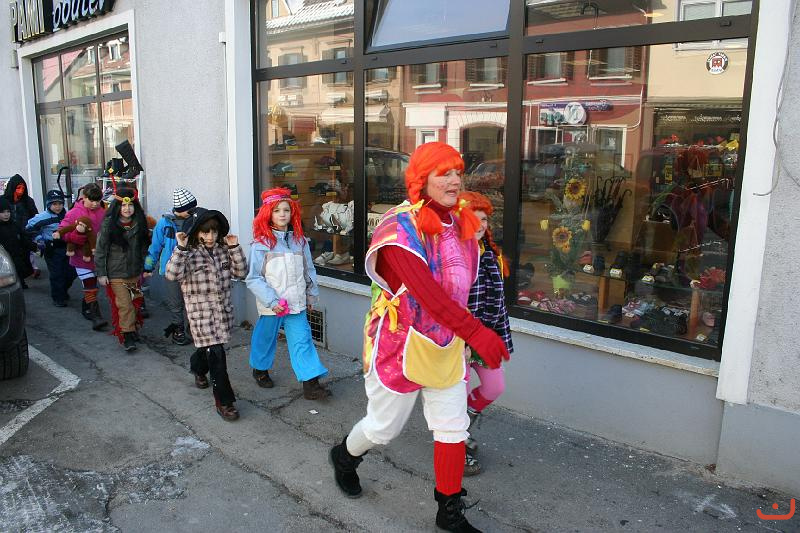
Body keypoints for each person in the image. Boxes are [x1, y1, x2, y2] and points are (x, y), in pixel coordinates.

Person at [329, 142, 509, 533]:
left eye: (458, 171)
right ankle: (344, 456)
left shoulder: (461, 223)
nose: (455, 180)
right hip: (400, 346)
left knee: (453, 428)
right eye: (445, 173)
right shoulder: (398, 226)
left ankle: (449, 510)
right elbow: (428, 296)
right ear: (421, 179)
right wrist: (477, 333)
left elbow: (464, 290)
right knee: (383, 429)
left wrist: (477, 332)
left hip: (447, 344)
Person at [245, 188, 330, 400]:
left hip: (296, 303)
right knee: (265, 338)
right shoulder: (261, 244)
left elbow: (309, 270)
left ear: (293, 213)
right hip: (272, 305)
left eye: (286, 210)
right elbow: (253, 278)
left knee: (302, 340)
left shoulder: (300, 241)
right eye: (277, 211)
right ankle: (260, 369)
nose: (282, 214)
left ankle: (311, 384)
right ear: (268, 214)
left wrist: (311, 295)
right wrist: (272, 301)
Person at [165, 208, 247, 421]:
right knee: (217, 355)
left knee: (208, 350)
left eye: (214, 232)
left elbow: (241, 273)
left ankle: (198, 369)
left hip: (222, 313)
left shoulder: (223, 250)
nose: (210, 237)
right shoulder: (188, 253)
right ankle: (225, 402)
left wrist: (234, 247)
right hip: (201, 316)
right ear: (196, 232)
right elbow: (171, 275)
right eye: (205, 232)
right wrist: (181, 248)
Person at [458, 191, 514, 477]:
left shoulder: (490, 254)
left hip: (485, 336)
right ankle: (456, 446)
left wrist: (497, 339)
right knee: (457, 394)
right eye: (474, 218)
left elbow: (499, 305)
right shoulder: (454, 256)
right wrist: (461, 341)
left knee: (494, 387)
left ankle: (462, 425)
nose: (480, 224)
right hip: (458, 340)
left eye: (484, 219)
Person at [94, 188, 149, 352]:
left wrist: (147, 267)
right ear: (117, 207)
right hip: (116, 273)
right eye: (123, 206)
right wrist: (101, 273)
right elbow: (101, 250)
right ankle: (127, 335)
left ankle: (133, 328)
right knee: (125, 305)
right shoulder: (108, 225)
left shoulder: (140, 223)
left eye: (130, 205)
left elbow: (145, 249)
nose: (127, 209)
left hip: (134, 273)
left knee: (135, 302)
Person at [144, 187, 198, 345]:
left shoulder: (196, 219)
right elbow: (154, 247)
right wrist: (148, 267)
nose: (193, 211)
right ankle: (178, 330)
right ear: (180, 209)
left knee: (193, 301)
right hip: (171, 270)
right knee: (175, 303)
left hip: (192, 269)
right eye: (190, 209)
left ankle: (193, 328)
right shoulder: (165, 223)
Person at [57, 183, 108, 330]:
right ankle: (95, 315)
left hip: (99, 256)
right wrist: (75, 237)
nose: (95, 204)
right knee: (90, 284)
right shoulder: (74, 212)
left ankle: (86, 307)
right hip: (80, 256)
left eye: (98, 200)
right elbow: (62, 230)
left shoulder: (103, 212)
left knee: (93, 285)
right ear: (84, 197)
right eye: (91, 200)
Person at [25, 190, 76, 306]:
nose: (58, 207)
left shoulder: (68, 215)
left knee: (71, 273)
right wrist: (39, 239)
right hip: (52, 249)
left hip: (68, 248)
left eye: (60, 203)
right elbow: (28, 229)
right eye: (54, 204)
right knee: (57, 274)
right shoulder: (42, 217)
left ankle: (63, 290)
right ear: (48, 204)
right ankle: (58, 298)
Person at [3, 174, 40, 278]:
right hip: (9, 232)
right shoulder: (4, 200)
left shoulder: (28, 201)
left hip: (25, 231)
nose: (21, 190)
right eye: (18, 188)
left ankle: (31, 269)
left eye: (23, 188)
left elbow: (34, 216)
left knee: (27, 252)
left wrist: (34, 230)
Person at [0, 197, 38, 286]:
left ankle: (21, 283)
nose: (6, 215)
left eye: (8, 212)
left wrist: (34, 246)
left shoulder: (14, 224)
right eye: (2, 212)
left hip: (17, 255)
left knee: (18, 274)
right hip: (4, 258)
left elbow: (23, 238)